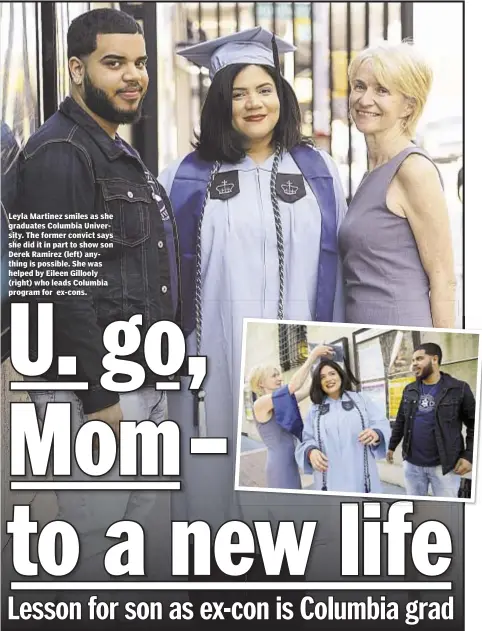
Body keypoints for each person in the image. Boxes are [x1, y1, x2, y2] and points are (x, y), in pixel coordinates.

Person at [159, 26, 347, 532]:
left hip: (294, 337)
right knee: (216, 444)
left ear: (282, 95)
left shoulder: (320, 171)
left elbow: (339, 266)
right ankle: (217, 543)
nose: (253, 104)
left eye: (264, 90)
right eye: (238, 93)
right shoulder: (185, 174)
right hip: (215, 345)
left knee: (298, 450)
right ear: (221, 103)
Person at [15, 8, 179, 580]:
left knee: (131, 548)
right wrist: (100, 396)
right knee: (95, 553)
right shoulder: (62, 152)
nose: (133, 75)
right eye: (114, 63)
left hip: (136, 383)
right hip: (98, 396)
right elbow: (61, 288)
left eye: (139, 62)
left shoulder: (113, 148)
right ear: (75, 69)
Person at [338, 41, 456, 328]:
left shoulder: (413, 169)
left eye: (382, 90)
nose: (365, 100)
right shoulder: (374, 172)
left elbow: (444, 279)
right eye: (359, 86)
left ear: (408, 106)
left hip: (401, 333)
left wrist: (439, 352)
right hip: (363, 335)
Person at [387, 343, 474, 498]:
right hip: (412, 465)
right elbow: (401, 420)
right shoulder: (410, 389)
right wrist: (391, 446)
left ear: (434, 359)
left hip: (444, 467)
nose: (414, 363)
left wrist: (469, 456)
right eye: (413, 360)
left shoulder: (458, 389)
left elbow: (475, 424)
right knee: (415, 509)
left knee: (447, 512)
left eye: (419, 358)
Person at [296, 359, 391, 494]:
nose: (328, 379)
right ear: (319, 383)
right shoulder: (315, 410)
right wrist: (311, 451)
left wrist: (376, 433)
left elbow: (381, 423)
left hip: (361, 475)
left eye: (332, 373)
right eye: (322, 377)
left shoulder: (361, 400)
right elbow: (306, 439)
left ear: (340, 375)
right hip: (330, 477)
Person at [248, 343, 335, 490]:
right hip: (279, 465)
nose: (280, 378)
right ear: (261, 383)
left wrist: (320, 368)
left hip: (290, 461)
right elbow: (294, 385)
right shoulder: (261, 403)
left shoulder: (279, 400)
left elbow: (307, 389)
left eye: (278, 374)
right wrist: (313, 355)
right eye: (274, 375)